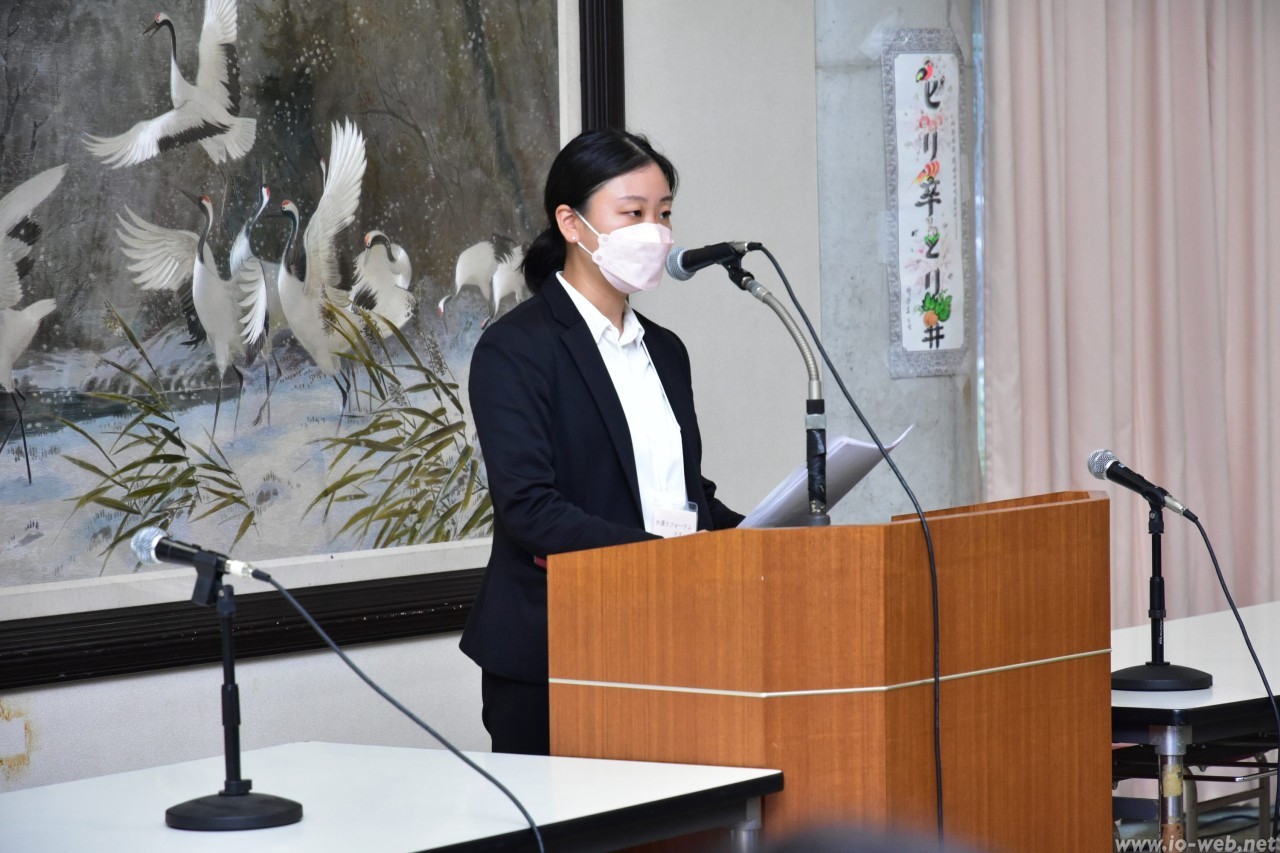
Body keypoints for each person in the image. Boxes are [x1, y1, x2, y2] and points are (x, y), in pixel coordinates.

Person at [460, 128, 744, 755]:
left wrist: (760, 533)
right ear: (571, 223)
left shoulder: (665, 351)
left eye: (664, 214)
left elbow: (679, 492)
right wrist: (662, 558)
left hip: (668, 637)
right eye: (633, 213)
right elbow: (530, 509)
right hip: (557, 648)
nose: (656, 232)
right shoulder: (516, 349)